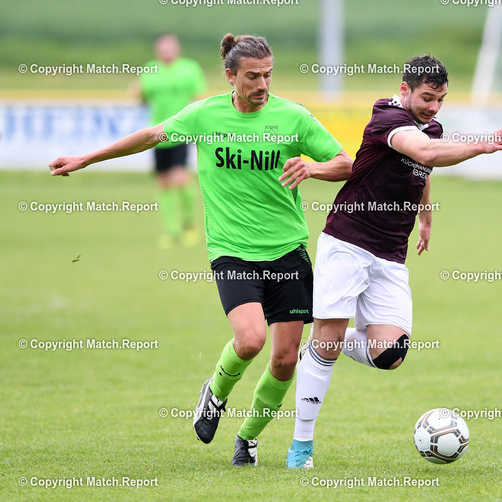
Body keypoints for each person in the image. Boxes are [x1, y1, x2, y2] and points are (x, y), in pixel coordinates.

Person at [48, 33, 353, 467]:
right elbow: (151, 135)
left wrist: (313, 168)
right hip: (231, 249)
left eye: (268, 75)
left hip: (287, 250)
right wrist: (86, 159)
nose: (263, 84)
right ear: (230, 75)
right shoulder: (205, 114)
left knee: (286, 360)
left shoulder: (294, 117)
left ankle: (247, 438)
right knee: (250, 340)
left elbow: (346, 163)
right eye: (253, 76)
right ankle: (216, 392)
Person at [287, 53, 502, 469]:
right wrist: (482, 145)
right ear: (404, 90)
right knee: (326, 345)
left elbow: (422, 167)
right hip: (348, 241)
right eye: (427, 98)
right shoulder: (387, 119)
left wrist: (426, 215)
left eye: (441, 100)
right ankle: (300, 447)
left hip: (391, 253)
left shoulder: (430, 127)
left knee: (390, 354)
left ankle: (326, 340)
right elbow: (424, 153)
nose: (434, 107)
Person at [135, 34, 207, 248]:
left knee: (180, 178)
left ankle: (189, 225)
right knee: (164, 182)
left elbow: (198, 98)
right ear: (157, 50)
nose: (166, 52)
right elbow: (143, 98)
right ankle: (171, 231)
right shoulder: (149, 70)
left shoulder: (189, 69)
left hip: (180, 131)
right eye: (163, 48)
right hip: (157, 134)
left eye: (170, 48)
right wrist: (137, 93)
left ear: (177, 49)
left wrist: (198, 127)